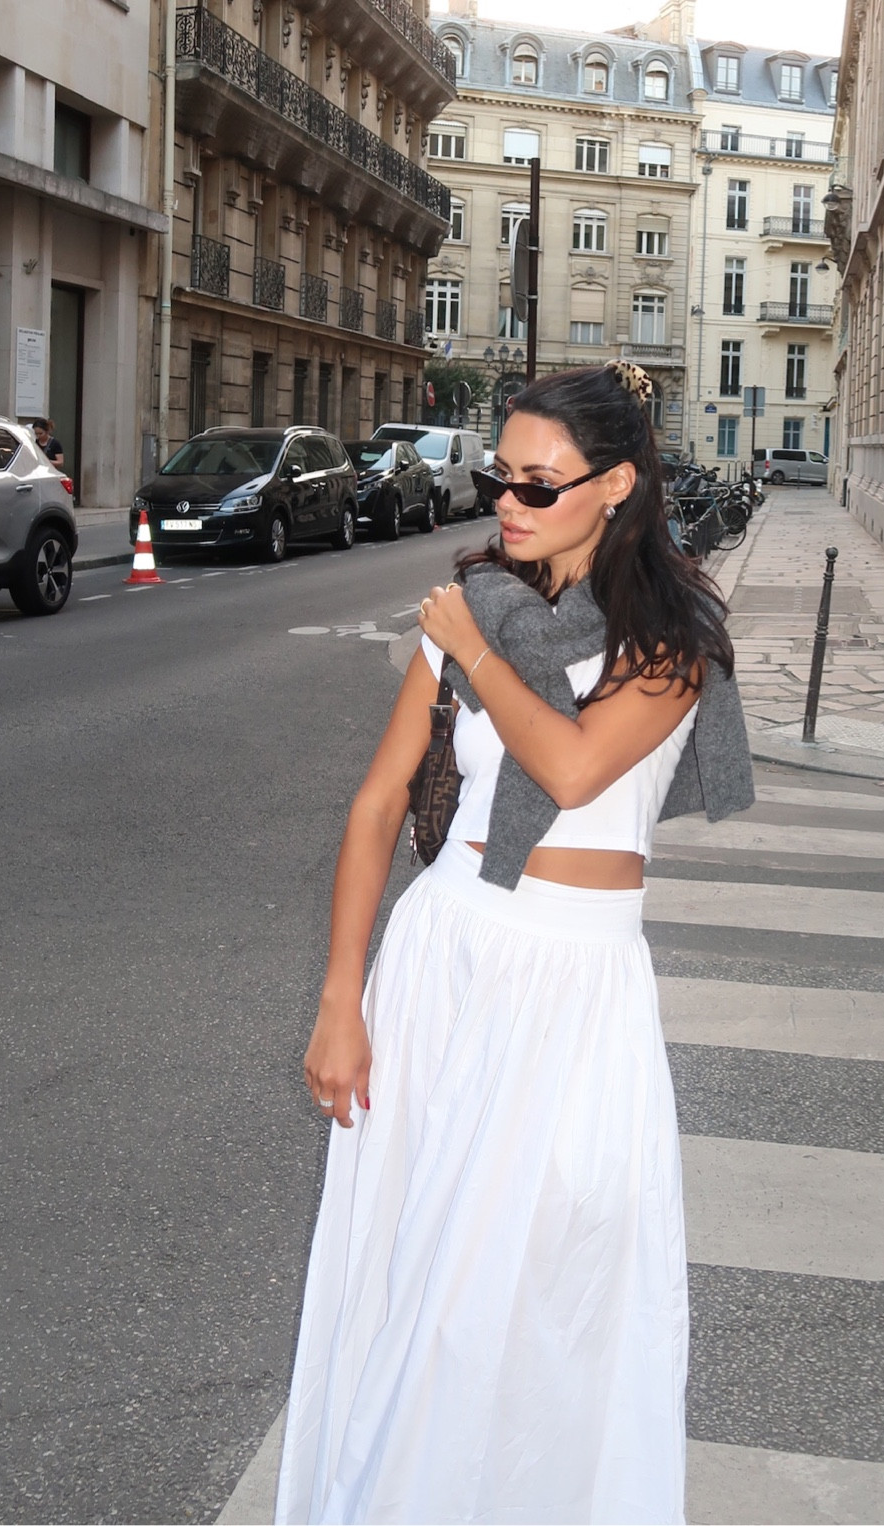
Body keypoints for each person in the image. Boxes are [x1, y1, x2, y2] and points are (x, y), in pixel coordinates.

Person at [274, 362, 755, 1526]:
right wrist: (341, 1001)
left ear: (618, 484)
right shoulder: (474, 608)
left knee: (536, 1301)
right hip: (445, 959)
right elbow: (380, 803)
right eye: (501, 477)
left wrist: (474, 648)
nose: (509, 502)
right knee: (416, 1294)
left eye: (539, 484)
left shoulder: (672, 634)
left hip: (575, 986)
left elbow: (577, 765)